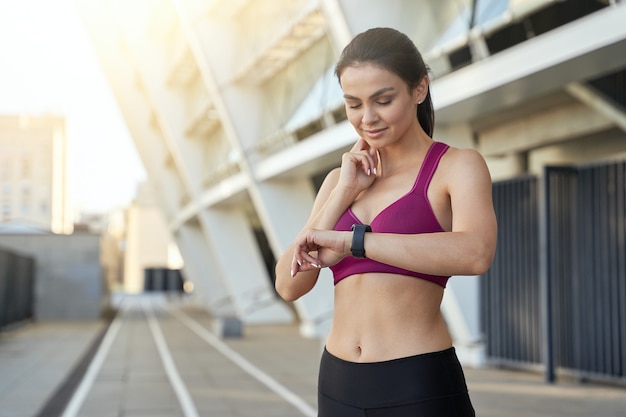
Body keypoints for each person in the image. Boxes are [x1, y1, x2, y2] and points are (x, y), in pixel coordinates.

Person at [275, 27, 497, 417]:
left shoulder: (456, 167)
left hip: (416, 384)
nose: (368, 118)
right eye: (354, 104)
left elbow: (476, 253)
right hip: (337, 383)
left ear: (419, 89)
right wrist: (343, 194)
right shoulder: (338, 181)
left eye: (383, 100)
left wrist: (353, 242)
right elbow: (289, 285)